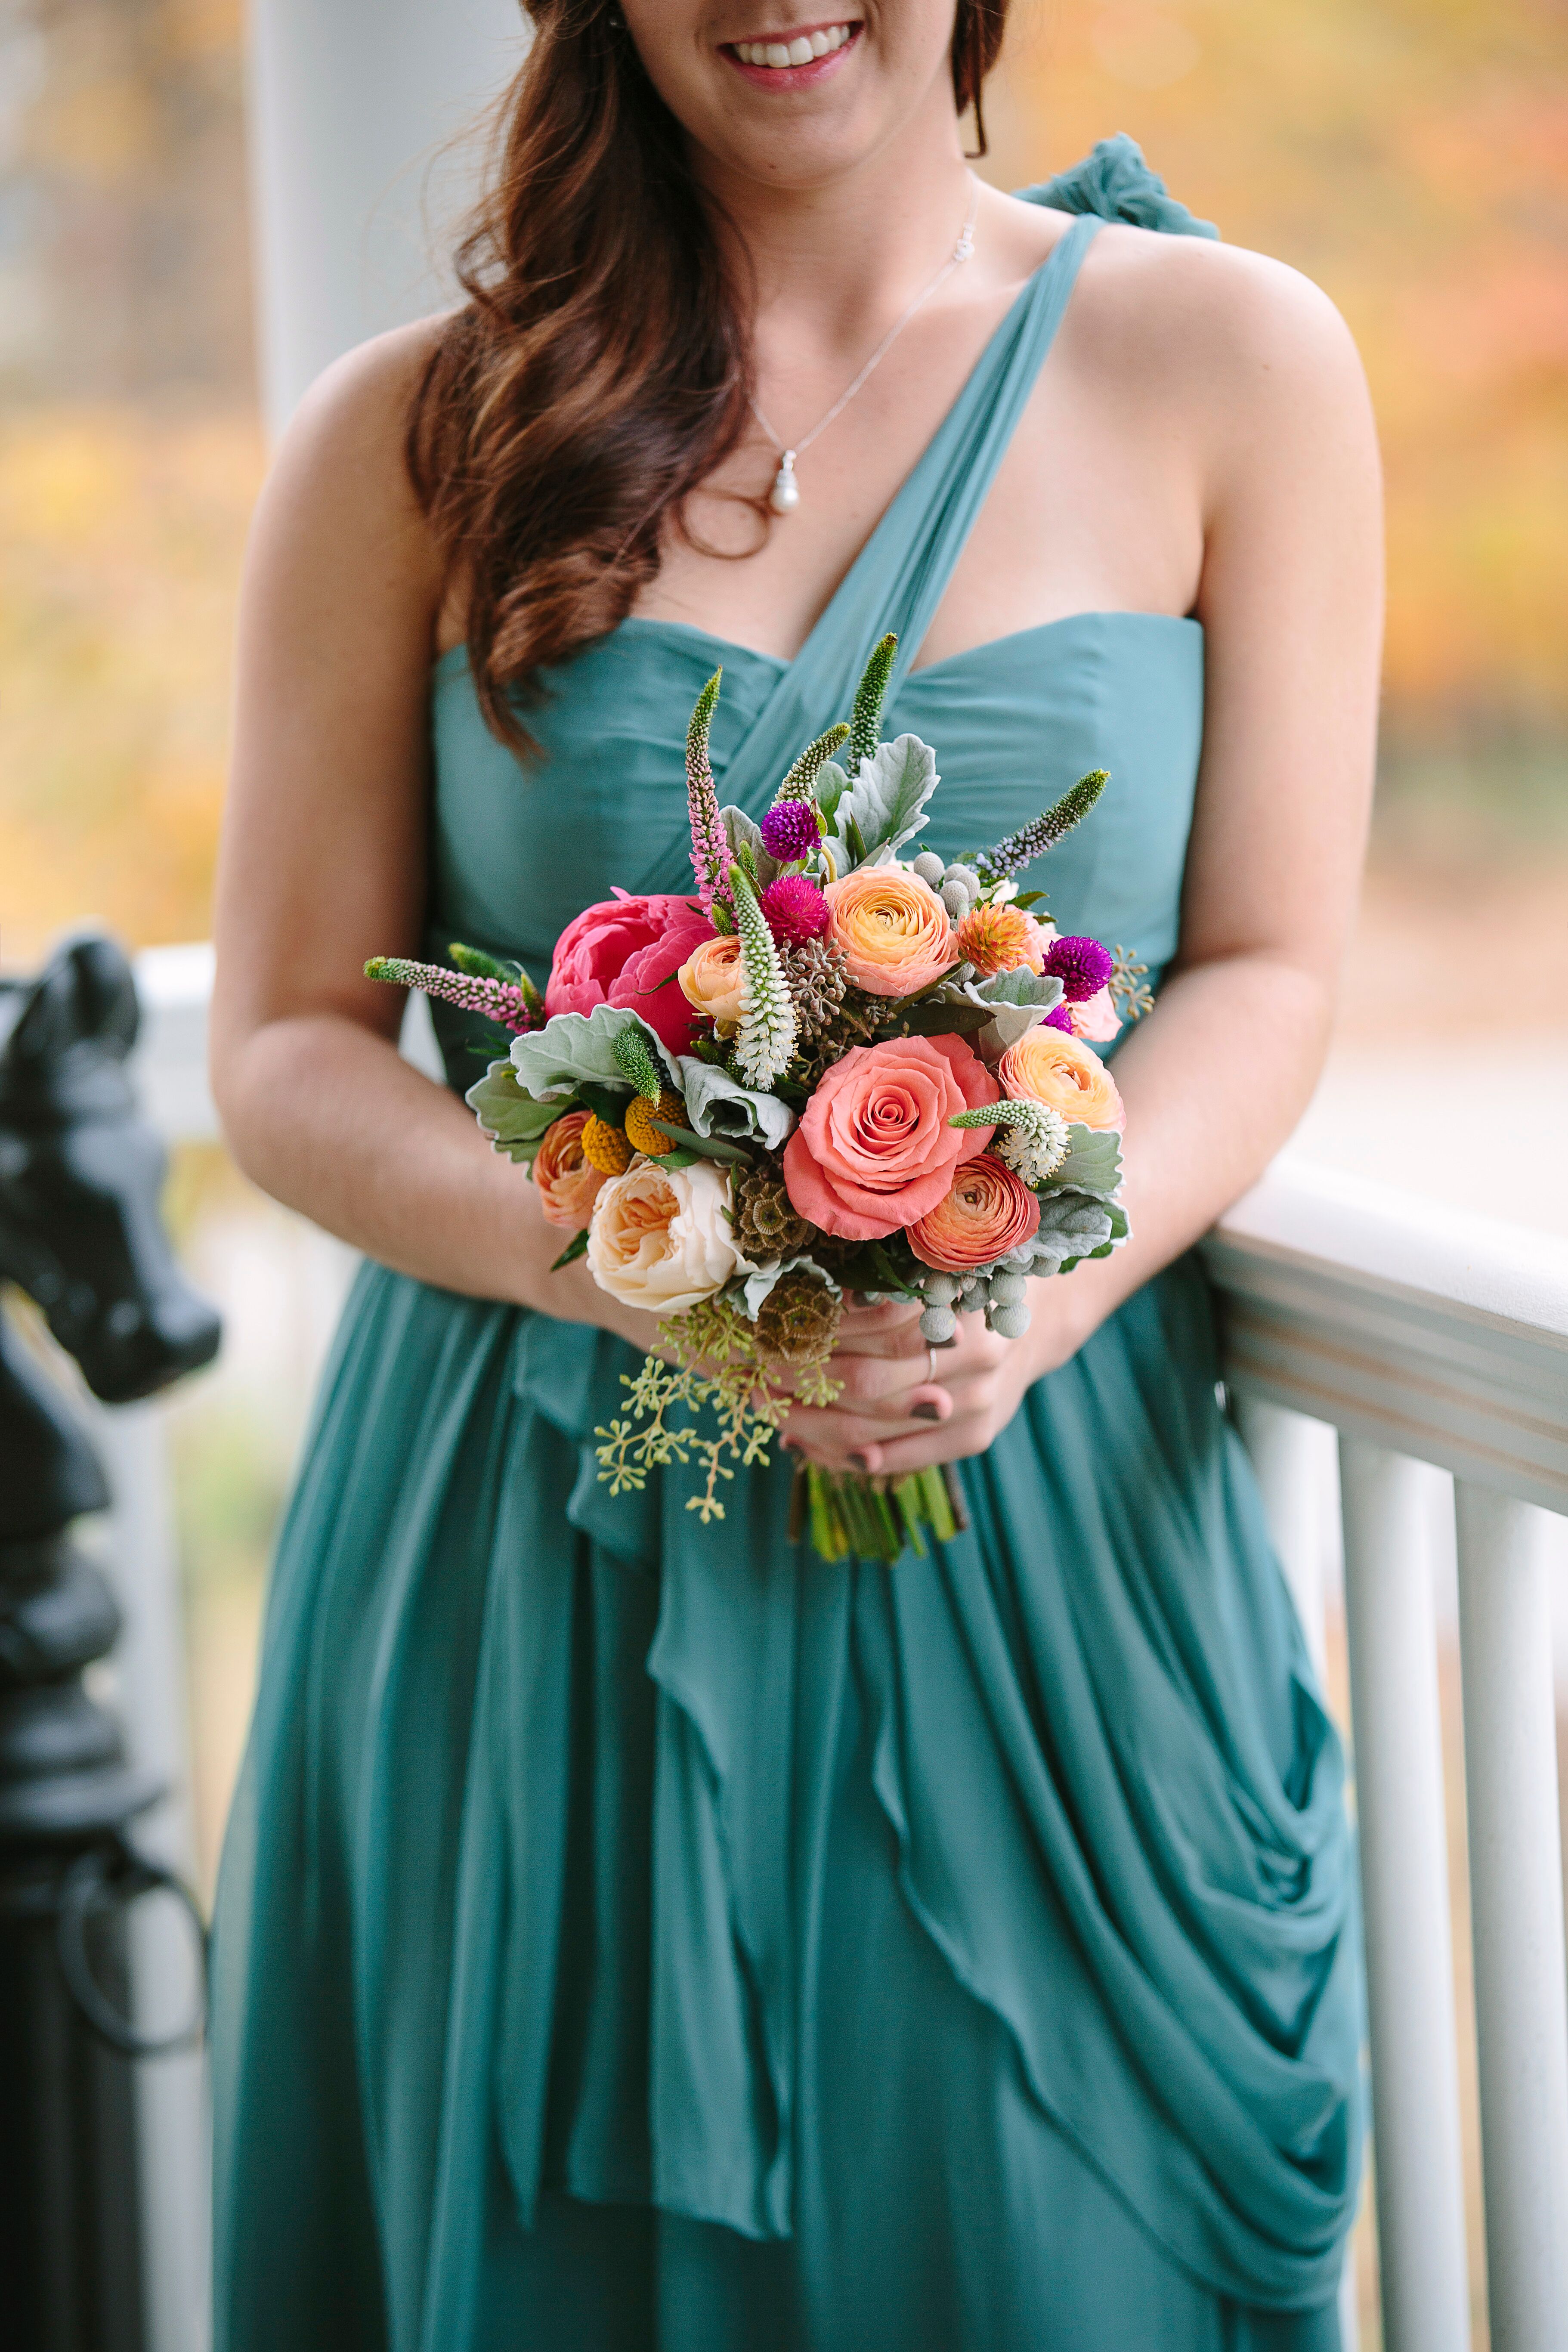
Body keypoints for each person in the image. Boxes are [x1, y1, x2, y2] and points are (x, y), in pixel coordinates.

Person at [208, 4, 1381, 2346]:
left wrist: (1019, 1302)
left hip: (1031, 1517)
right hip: (524, 1536)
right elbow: (276, 1045)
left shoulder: (1232, 359)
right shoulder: (413, 436)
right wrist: (623, 1255)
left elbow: (1270, 963)